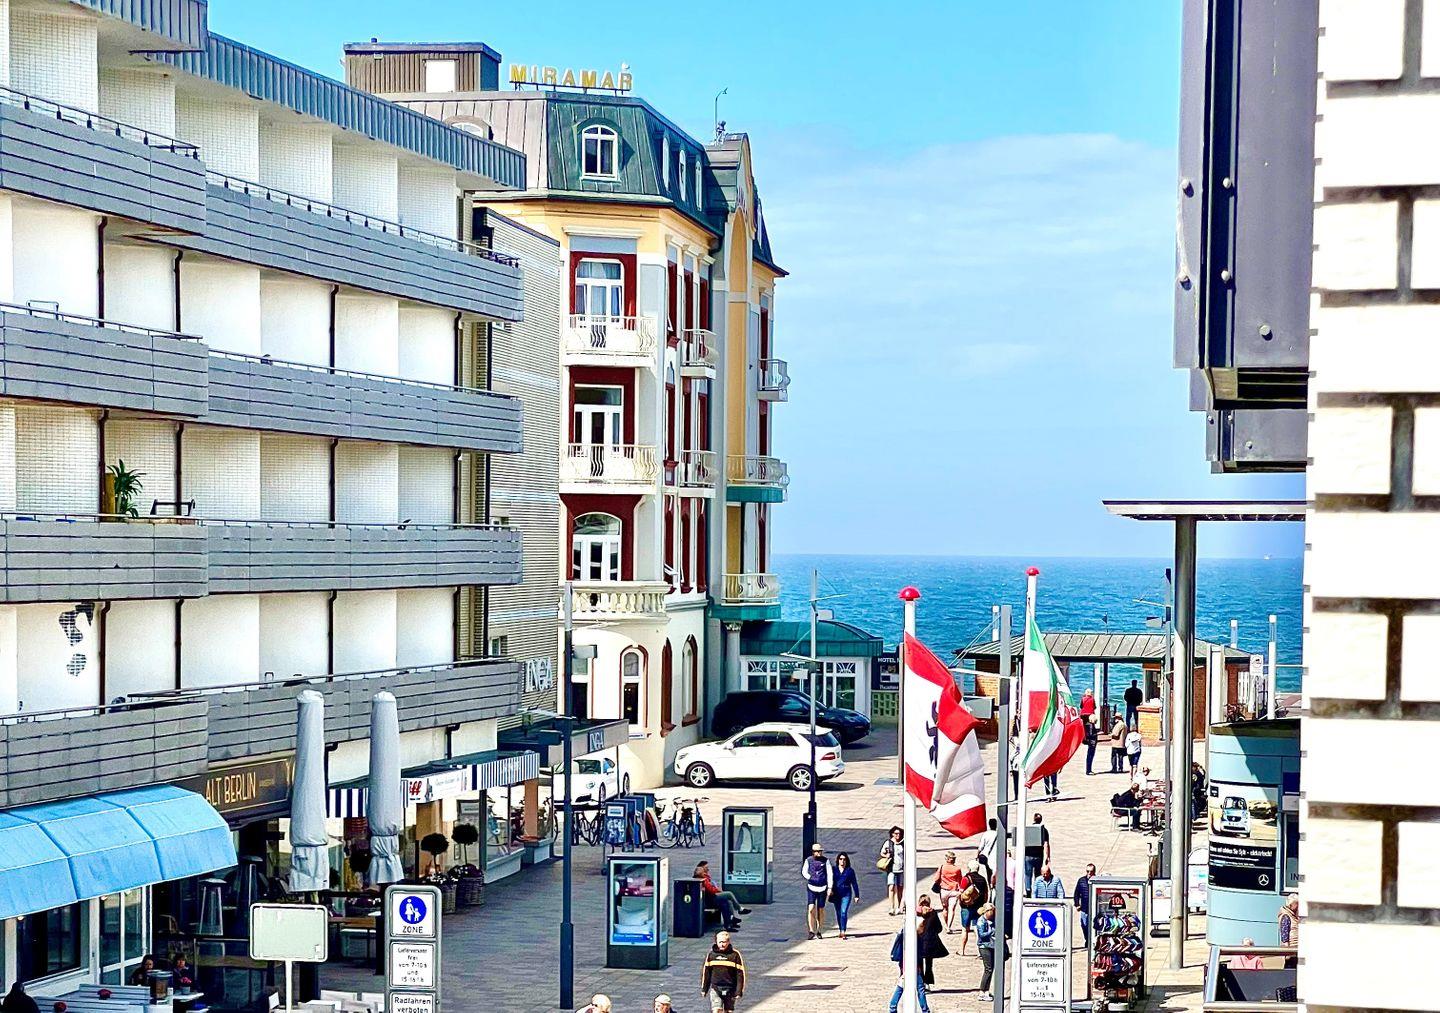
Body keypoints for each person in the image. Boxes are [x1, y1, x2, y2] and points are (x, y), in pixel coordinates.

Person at [888, 916, 931, 1013]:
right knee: (914, 988)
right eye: (922, 926)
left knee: (904, 986)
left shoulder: (910, 936)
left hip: (910, 967)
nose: (923, 929)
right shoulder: (912, 939)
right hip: (910, 967)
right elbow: (909, 955)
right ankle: (892, 1007)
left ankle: (892, 1007)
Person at [700, 930, 746, 1012]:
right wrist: (704, 989)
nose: (722, 944)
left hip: (730, 989)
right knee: (716, 1010)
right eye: (720, 942)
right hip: (716, 988)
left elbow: (740, 974)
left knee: (728, 1011)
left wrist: (739, 991)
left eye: (724, 942)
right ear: (716, 942)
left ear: (728, 942)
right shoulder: (711, 955)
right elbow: (707, 973)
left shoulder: (734, 955)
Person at [696, 860, 747, 930]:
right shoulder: (703, 879)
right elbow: (710, 889)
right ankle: (739, 909)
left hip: (711, 897)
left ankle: (730, 921)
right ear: (701, 870)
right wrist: (719, 890)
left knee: (727, 902)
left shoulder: (705, 877)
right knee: (729, 894)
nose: (708, 869)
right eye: (706, 868)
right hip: (710, 899)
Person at [802, 842, 834, 939]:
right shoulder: (809, 860)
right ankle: (811, 930)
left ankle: (819, 930)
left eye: (820, 851)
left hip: (822, 888)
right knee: (811, 908)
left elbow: (829, 874)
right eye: (817, 851)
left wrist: (829, 887)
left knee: (821, 909)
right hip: (812, 887)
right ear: (813, 852)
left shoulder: (825, 861)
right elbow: (804, 871)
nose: (819, 853)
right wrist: (810, 877)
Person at [916, 894, 948, 987]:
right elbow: (939, 928)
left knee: (919, 964)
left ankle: (921, 982)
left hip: (918, 940)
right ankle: (928, 983)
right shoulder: (933, 912)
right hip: (930, 941)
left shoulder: (915, 912)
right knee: (929, 964)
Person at [957, 859, 988, 955]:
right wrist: (983, 903)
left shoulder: (966, 879)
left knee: (965, 929)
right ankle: (980, 951)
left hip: (967, 907)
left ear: (969, 868)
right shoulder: (982, 879)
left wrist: (960, 901)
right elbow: (986, 894)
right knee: (977, 928)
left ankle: (962, 950)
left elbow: (961, 892)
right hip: (978, 906)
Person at [931, 851, 965, 932]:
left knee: (945, 908)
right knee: (952, 909)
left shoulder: (942, 867)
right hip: (954, 891)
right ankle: (949, 927)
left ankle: (946, 925)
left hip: (944, 890)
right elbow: (960, 880)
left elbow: (936, 879)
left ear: (947, 859)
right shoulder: (957, 869)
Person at [831, 851, 860, 939]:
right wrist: (829, 890)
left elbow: (854, 883)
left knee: (843, 912)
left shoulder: (850, 871)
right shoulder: (834, 870)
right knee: (838, 913)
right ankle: (841, 929)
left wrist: (857, 895)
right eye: (840, 859)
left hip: (846, 893)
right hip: (836, 894)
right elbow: (829, 881)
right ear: (838, 860)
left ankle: (843, 931)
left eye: (844, 859)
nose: (842, 861)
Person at [976, 903, 1000, 1002]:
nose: (993, 913)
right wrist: (993, 931)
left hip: (991, 945)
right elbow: (982, 935)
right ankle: (982, 992)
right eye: (991, 911)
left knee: (990, 969)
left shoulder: (991, 920)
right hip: (984, 946)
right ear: (987, 911)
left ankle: (986, 990)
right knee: (988, 969)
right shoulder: (981, 921)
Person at [880, 825, 905, 915]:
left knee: (900, 888)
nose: (898, 835)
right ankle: (891, 907)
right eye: (896, 833)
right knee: (891, 887)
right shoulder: (889, 843)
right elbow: (882, 852)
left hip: (901, 869)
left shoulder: (903, 843)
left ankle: (899, 906)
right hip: (891, 868)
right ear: (892, 834)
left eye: (899, 833)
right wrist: (886, 855)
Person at [1024, 812, 1050, 890]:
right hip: (1038, 856)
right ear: (1041, 820)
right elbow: (1046, 844)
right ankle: (1037, 890)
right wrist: (1047, 856)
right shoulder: (1044, 830)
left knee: (1028, 875)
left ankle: (1028, 891)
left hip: (1028, 855)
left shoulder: (1028, 829)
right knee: (1038, 875)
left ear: (1034, 819)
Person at [1074, 863, 1096, 944]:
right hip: (1084, 908)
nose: (1089, 873)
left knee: (1093, 926)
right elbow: (1076, 893)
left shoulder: (1096, 881)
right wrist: (1077, 904)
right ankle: (1087, 939)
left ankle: (1092, 941)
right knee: (1084, 925)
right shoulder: (1081, 881)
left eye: (1091, 871)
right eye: (1087, 871)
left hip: (1094, 908)